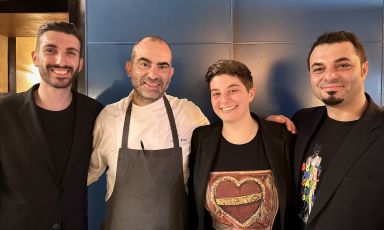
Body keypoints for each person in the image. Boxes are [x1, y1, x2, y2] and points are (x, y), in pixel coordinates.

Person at [87, 36, 209, 229]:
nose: (153, 74)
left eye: (162, 66)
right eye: (144, 64)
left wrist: (267, 129)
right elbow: (84, 174)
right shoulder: (109, 117)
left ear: (171, 73)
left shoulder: (189, 114)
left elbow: (222, 150)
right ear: (129, 68)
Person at [269, 31, 384, 229]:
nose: (330, 76)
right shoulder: (302, 120)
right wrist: (265, 129)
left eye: (343, 65)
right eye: (318, 69)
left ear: (364, 70)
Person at [0, 21, 103, 230]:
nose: (60, 60)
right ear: (35, 57)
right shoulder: (4, 112)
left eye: (71, 52)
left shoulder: (95, 113)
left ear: (80, 63)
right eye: (50, 50)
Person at [188, 59, 295, 230]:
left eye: (233, 90)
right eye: (216, 93)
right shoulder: (201, 139)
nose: (224, 100)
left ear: (251, 94)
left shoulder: (281, 137)